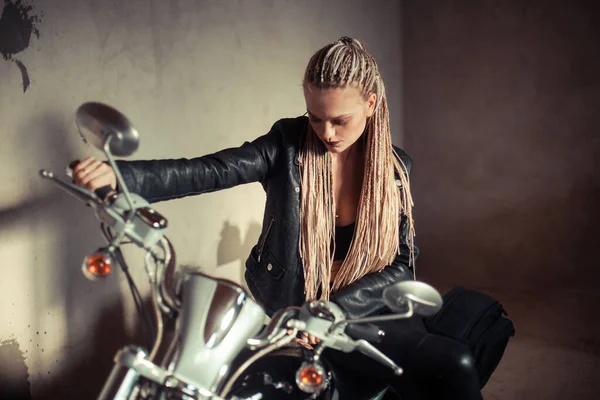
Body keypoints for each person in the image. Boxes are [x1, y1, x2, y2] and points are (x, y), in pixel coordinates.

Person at [73, 37, 482, 399]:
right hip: (293, 307)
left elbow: (401, 265)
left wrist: (335, 309)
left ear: (371, 104)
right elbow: (211, 170)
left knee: (456, 363)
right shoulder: (286, 144)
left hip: (365, 312)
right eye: (315, 116)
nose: (326, 132)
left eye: (340, 120)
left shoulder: (395, 170)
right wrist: (121, 177)